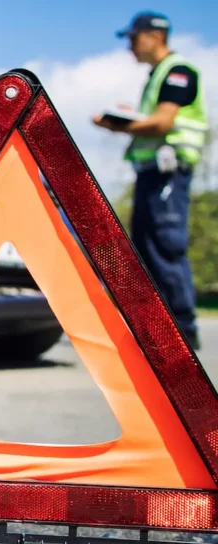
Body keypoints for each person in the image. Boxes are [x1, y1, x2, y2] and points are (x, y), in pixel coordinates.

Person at [93, 11, 209, 350]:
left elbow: (161, 123)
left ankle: (182, 333)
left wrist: (119, 125)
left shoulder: (178, 72)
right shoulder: (158, 75)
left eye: (132, 38)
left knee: (165, 246)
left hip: (167, 174)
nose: (130, 46)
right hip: (152, 175)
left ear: (154, 36)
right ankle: (158, 331)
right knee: (146, 247)